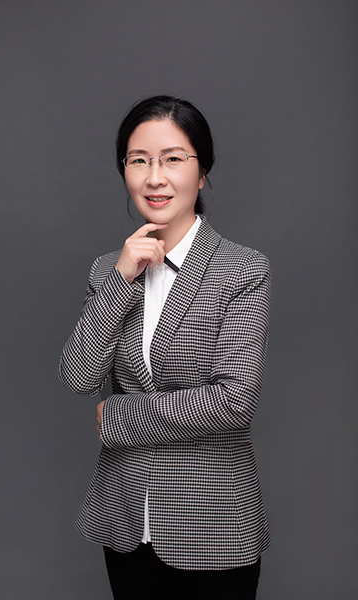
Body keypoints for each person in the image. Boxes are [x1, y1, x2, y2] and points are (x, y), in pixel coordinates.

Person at [58, 95, 271, 600]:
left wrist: (119, 416)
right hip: (126, 519)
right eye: (139, 161)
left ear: (202, 172)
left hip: (214, 521)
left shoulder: (242, 269)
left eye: (173, 159)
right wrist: (120, 281)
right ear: (125, 172)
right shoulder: (108, 269)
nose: (155, 178)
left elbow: (233, 401)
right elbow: (79, 377)